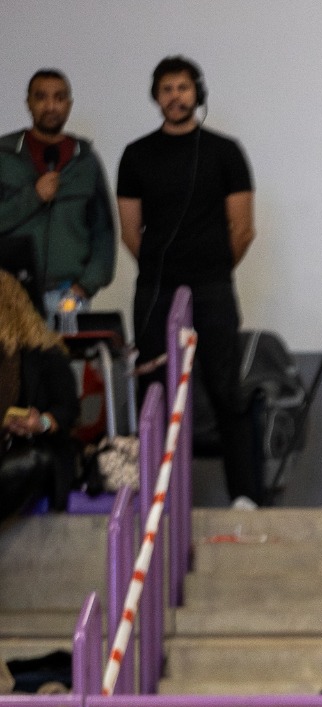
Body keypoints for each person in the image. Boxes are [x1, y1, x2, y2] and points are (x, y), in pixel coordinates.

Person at [116, 56, 258, 509]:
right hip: (156, 292)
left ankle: (246, 496)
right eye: (166, 89)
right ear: (155, 96)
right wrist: (166, 270)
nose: (175, 97)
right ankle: (157, 498)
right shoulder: (136, 155)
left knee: (225, 389)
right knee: (154, 392)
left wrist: (210, 269)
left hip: (212, 289)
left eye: (182, 88)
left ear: (197, 93)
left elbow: (243, 230)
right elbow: (130, 232)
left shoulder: (225, 151)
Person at [0, 68, 117, 311]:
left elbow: (103, 233)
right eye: (41, 97)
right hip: (11, 294)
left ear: (69, 105)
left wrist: (86, 285)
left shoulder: (85, 160)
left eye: (59, 98)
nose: (51, 106)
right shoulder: (5, 156)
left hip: (68, 295)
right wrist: (33, 197)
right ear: (28, 103)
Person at [0, 267, 80, 522]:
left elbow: (68, 410)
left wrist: (41, 423)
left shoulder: (46, 354)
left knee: (29, 462)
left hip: (34, 447)